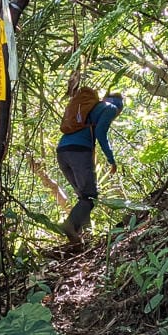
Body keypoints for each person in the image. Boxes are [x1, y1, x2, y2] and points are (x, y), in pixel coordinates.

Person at [56, 92, 124, 242]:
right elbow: (100, 133)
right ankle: (70, 225)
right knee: (90, 197)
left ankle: (83, 238)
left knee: (84, 197)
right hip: (79, 151)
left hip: (62, 151)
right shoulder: (111, 107)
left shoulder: (92, 108)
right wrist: (111, 160)